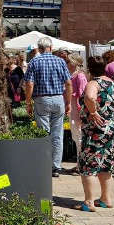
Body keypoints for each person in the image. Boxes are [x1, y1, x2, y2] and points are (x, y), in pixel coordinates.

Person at [76, 56, 114, 212]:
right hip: (111, 130)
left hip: (95, 130)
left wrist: (93, 111)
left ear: (90, 69)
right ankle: (105, 198)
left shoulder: (93, 83)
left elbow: (90, 96)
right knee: (106, 164)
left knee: (88, 164)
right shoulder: (113, 84)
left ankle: (89, 202)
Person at [24, 37, 73, 177]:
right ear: (51, 47)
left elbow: (29, 84)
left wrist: (28, 102)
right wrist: (68, 102)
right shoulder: (60, 61)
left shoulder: (34, 61)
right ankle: (56, 166)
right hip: (58, 98)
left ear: (39, 48)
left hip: (41, 99)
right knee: (58, 134)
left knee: (44, 133)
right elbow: (69, 83)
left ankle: (44, 164)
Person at [67, 54, 87, 169]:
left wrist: (81, 111)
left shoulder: (80, 76)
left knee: (79, 134)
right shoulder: (73, 75)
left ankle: (81, 163)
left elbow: (83, 94)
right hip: (73, 106)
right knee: (76, 134)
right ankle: (80, 162)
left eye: (69, 61)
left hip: (77, 108)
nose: (67, 63)